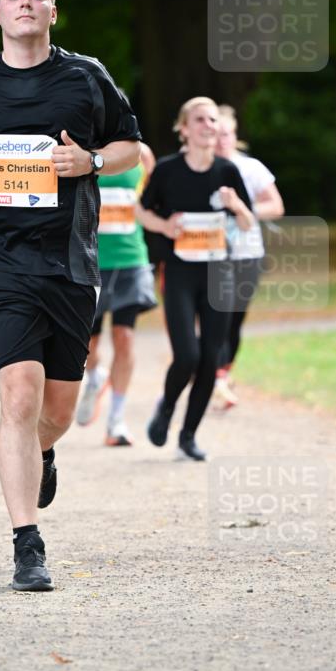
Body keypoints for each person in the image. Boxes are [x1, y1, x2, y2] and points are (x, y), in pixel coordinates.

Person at [0, 0, 141, 591]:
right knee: (17, 392)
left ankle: (45, 451)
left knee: (58, 412)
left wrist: (93, 163)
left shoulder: (85, 77)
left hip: (71, 263)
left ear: (52, 9)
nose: (25, 2)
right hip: (0, 261)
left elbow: (132, 145)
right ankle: (27, 544)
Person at [136, 96, 253, 461]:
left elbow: (248, 224)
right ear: (184, 129)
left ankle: (188, 436)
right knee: (186, 355)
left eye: (213, 120)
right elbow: (141, 211)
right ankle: (167, 407)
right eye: (200, 120)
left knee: (209, 358)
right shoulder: (168, 170)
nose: (208, 126)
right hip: (181, 274)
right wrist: (165, 225)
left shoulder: (227, 171)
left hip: (220, 274)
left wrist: (235, 205)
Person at [76, 141, 157, 446]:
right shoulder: (78, 150)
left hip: (130, 259)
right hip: (90, 261)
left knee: (124, 337)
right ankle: (95, 377)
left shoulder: (140, 153)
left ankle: (117, 421)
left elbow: (156, 199)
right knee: (88, 345)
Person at [212, 105, 285, 409]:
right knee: (217, 315)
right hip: (210, 255)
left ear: (235, 135)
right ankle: (215, 377)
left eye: (226, 134)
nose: (220, 140)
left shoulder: (251, 168)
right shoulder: (199, 168)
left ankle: (222, 374)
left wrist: (243, 210)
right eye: (215, 134)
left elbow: (276, 207)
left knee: (234, 320)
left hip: (248, 253)